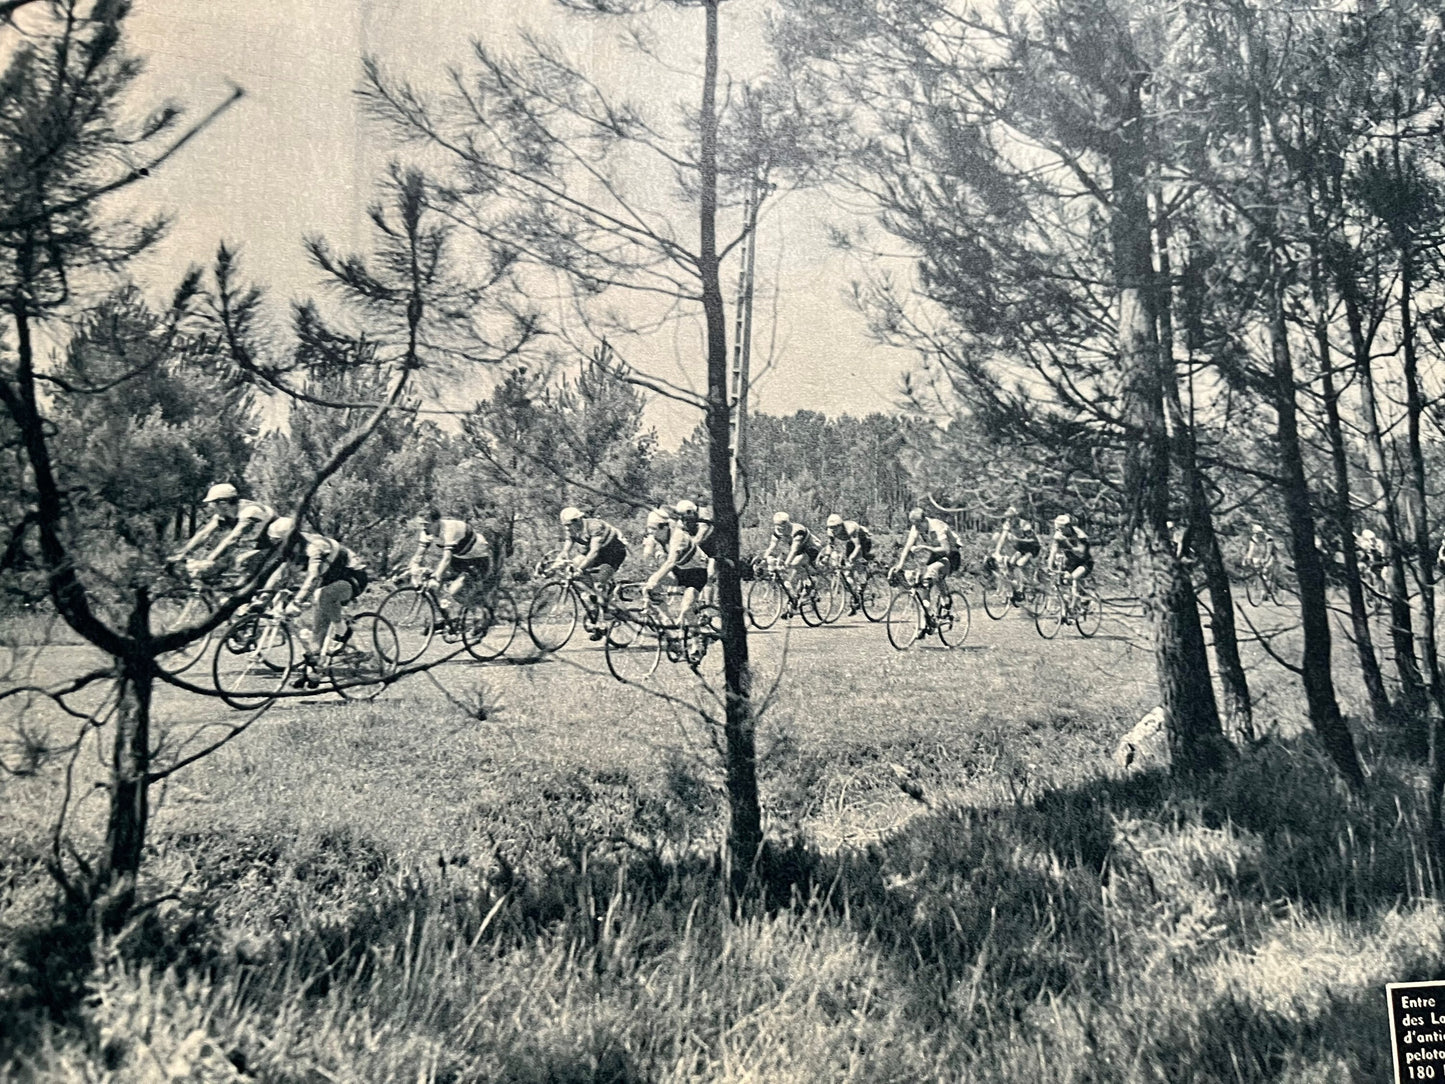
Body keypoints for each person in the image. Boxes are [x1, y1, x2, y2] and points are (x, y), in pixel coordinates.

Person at [262, 517, 369, 685]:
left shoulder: (314, 547)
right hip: (328, 581)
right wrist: (264, 596)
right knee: (318, 631)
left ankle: (344, 631)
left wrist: (297, 602)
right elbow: (279, 574)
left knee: (322, 595)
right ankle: (312, 672)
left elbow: (313, 577)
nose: (276, 546)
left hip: (353, 576)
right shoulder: (290, 549)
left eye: (278, 542)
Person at [170, 483, 277, 583]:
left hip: (277, 542)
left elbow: (232, 538)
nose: (209, 507)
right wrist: (182, 554)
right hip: (260, 545)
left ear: (223, 503)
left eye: (211, 503)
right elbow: (204, 534)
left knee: (243, 567)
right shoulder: (224, 514)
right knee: (224, 567)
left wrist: (209, 560)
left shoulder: (250, 512)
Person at [409, 509, 491, 625]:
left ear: (437, 521)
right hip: (458, 559)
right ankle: (444, 618)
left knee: (454, 591)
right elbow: (419, 554)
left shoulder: (449, 528)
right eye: (421, 524)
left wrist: (436, 576)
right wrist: (413, 569)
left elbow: (446, 558)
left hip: (478, 559)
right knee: (433, 587)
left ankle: (480, 613)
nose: (424, 528)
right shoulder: (426, 532)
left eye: (427, 524)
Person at [558, 506, 629, 636]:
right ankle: (593, 600)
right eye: (564, 525)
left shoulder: (594, 526)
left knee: (598, 583)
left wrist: (580, 569)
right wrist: (562, 555)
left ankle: (605, 612)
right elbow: (568, 544)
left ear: (578, 521)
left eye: (568, 525)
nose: (567, 528)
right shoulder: (571, 528)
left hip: (612, 553)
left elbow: (594, 552)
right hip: (593, 551)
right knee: (572, 571)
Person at [642, 507, 710, 630]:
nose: (652, 534)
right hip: (680, 571)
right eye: (650, 530)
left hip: (697, 572)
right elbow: (651, 555)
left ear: (664, 527)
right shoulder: (658, 536)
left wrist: (655, 578)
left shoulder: (678, 536)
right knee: (651, 586)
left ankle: (697, 641)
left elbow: (671, 562)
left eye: (654, 530)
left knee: (686, 609)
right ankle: (667, 619)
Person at [891, 507, 962, 619]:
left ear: (924, 520)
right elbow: (907, 547)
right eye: (915, 526)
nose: (917, 528)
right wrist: (900, 565)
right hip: (936, 553)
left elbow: (946, 549)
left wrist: (926, 547)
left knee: (932, 571)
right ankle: (928, 617)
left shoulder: (937, 526)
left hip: (952, 553)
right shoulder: (916, 527)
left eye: (919, 525)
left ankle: (946, 602)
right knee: (925, 582)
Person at [762, 512, 823, 596]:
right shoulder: (778, 530)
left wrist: (786, 564)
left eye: (782, 527)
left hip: (812, 547)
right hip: (799, 550)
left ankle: (810, 582)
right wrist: (763, 559)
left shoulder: (798, 530)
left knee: (794, 563)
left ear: (788, 524)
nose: (780, 530)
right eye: (777, 527)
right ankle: (795, 592)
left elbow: (794, 550)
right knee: (778, 561)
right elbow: (772, 547)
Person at [824, 513, 874, 614]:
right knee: (847, 574)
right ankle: (855, 597)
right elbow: (830, 545)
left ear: (840, 525)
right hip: (850, 543)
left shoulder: (850, 528)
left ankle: (863, 582)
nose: (833, 530)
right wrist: (826, 556)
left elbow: (858, 546)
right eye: (830, 527)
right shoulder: (830, 531)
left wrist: (851, 558)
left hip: (862, 542)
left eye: (835, 527)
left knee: (856, 562)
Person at [992, 506, 1040, 602]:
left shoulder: (1024, 524)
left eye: (1011, 517)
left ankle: (1021, 589)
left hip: (1032, 548)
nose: (1009, 520)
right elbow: (1002, 539)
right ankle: (1017, 587)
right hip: (1021, 549)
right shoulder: (1007, 524)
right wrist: (997, 552)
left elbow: (1032, 540)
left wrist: (1018, 539)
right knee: (1011, 563)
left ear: (1016, 517)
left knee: (1019, 564)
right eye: (1007, 517)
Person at [1048, 514, 1093, 608]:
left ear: (1068, 526)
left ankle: (1085, 598)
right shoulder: (1059, 535)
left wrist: (1068, 545)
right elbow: (1053, 551)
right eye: (1058, 528)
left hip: (1084, 562)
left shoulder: (1080, 535)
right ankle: (1073, 599)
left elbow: (1081, 552)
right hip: (1071, 563)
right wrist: (1050, 565)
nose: (1060, 531)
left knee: (1073, 577)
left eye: (1061, 528)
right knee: (1064, 580)